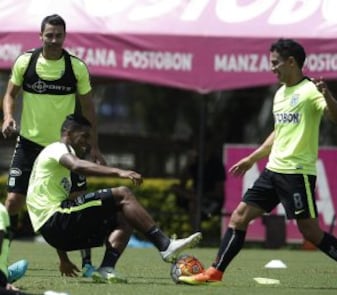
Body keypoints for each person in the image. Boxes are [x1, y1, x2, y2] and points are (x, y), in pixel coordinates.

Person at [178, 38, 337, 289]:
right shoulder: (279, 94)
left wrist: (327, 95)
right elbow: (279, 133)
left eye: (275, 63)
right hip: (272, 171)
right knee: (239, 218)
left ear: (292, 62)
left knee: (309, 232)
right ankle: (215, 272)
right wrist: (253, 158)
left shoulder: (310, 91)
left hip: (297, 173)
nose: (271, 68)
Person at [26, 114, 202, 283]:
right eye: (84, 136)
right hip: (57, 220)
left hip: (56, 231)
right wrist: (120, 171)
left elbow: (63, 211)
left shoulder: (60, 173)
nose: (87, 143)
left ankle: (106, 268)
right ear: (68, 133)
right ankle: (165, 245)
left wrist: (63, 259)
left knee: (125, 216)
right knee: (123, 193)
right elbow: (77, 166)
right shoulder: (57, 148)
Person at [1, 14, 106, 276]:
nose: (54, 40)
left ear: (64, 36)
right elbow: (10, 95)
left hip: (65, 149)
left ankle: (87, 264)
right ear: (40, 36)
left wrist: (93, 146)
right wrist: (8, 117)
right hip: (29, 144)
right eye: (49, 35)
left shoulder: (76, 68)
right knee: (13, 201)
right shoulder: (26, 62)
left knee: (74, 200)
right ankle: (2, 260)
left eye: (59, 35)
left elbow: (88, 108)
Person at [171, 139, 226, 224]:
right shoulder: (195, 163)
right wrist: (188, 164)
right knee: (176, 188)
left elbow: (218, 192)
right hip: (195, 197)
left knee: (193, 204)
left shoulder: (216, 164)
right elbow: (182, 183)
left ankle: (194, 231)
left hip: (211, 200)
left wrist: (199, 196)